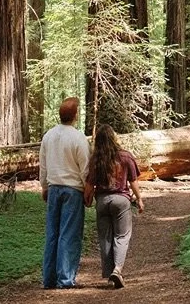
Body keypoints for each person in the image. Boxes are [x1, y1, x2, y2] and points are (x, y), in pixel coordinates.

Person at [85, 123, 143, 289]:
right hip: (121, 201)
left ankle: (110, 274)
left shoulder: (96, 159)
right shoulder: (126, 156)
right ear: (114, 138)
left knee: (105, 238)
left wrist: (86, 198)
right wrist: (139, 199)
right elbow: (133, 181)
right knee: (122, 236)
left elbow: (90, 184)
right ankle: (117, 270)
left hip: (102, 202)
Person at [40, 96, 89, 289]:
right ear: (75, 115)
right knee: (69, 233)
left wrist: (44, 186)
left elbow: (43, 165)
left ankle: (49, 278)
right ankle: (66, 278)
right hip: (72, 190)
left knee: (52, 233)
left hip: (53, 188)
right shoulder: (78, 138)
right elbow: (84, 167)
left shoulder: (49, 136)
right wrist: (87, 189)